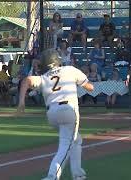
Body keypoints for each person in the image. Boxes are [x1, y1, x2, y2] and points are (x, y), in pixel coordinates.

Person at [17, 49, 94, 180]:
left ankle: (78, 174)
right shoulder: (69, 69)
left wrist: (21, 102)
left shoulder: (44, 77)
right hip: (68, 110)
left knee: (76, 140)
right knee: (65, 145)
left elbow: (26, 81)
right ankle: (52, 175)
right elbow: (90, 87)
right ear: (57, 60)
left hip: (52, 114)